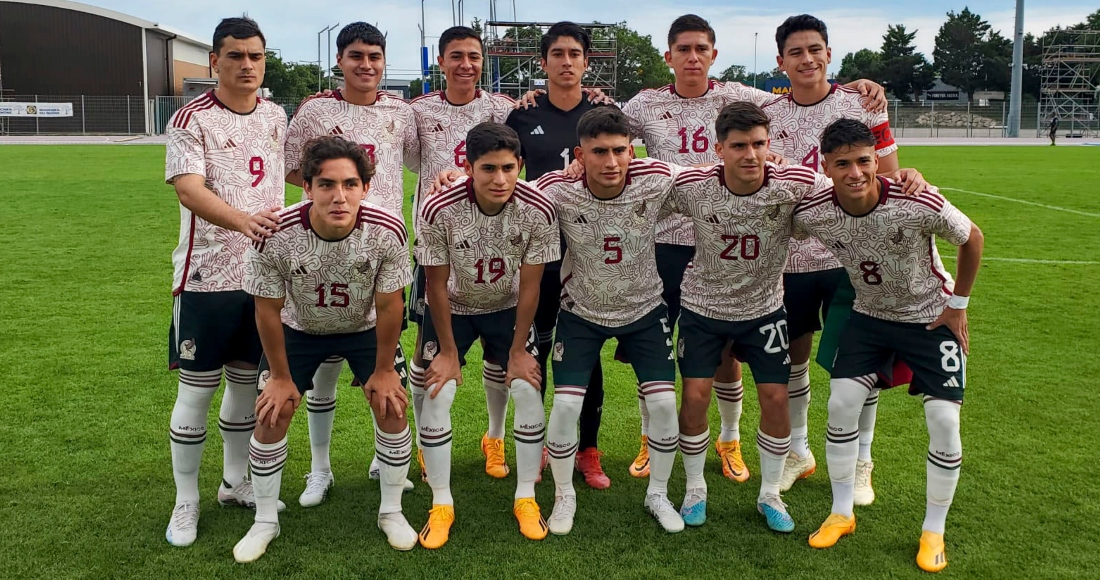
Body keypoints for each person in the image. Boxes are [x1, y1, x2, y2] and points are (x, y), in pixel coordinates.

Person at [793, 119, 983, 573]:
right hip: (869, 317)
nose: (855, 172)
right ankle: (841, 512)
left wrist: (958, 304)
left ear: (876, 160)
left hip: (929, 318)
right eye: (843, 164)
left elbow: (972, 237)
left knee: (943, 420)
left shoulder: (915, 198)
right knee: (841, 403)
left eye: (863, 160)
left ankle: (933, 528)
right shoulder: (815, 209)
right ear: (827, 167)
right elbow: (785, 220)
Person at [236, 136, 415, 561]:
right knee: (271, 412)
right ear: (308, 187)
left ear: (365, 188)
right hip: (299, 330)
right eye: (327, 184)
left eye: (351, 184)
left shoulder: (386, 229)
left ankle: (391, 511)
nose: (339, 196)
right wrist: (280, 378)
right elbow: (267, 311)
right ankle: (264, 520)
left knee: (392, 405)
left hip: (364, 328)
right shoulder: (275, 233)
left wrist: (385, 369)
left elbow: (391, 306)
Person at [667, 102, 832, 531]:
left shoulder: (793, 182)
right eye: (739, 145)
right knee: (696, 394)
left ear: (770, 144)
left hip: (764, 310)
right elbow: (639, 184)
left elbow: (850, 187)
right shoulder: (694, 185)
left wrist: (910, 178)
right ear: (718, 148)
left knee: (777, 397)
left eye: (759, 144)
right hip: (703, 307)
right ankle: (695, 489)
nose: (751, 155)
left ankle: (770, 493)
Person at [763, 14, 902, 500]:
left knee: (858, 365)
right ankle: (799, 452)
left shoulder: (861, 104)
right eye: (796, 52)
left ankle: (862, 460)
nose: (807, 59)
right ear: (780, 61)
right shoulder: (766, 112)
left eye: (815, 49)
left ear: (829, 53)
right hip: (790, 258)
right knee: (792, 363)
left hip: (852, 258)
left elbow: (887, 180)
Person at [282, 22, 421, 505]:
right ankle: (319, 469)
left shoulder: (403, 113)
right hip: (322, 253)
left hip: (380, 253)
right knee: (321, 374)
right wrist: (333, 204)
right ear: (339, 60)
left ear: (384, 62)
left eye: (375, 56)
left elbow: (429, 158)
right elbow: (292, 167)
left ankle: (387, 459)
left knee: (384, 365)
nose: (366, 65)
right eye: (356, 56)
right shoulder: (315, 110)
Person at [163, 16, 287, 547]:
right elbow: (189, 190)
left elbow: (297, 173)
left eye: (255, 56)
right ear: (214, 61)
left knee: (245, 387)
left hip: (264, 278)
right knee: (196, 391)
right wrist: (243, 221)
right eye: (234, 55)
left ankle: (234, 483)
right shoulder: (191, 118)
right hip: (207, 278)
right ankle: (184, 500)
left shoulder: (278, 115)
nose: (246, 65)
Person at [536, 107, 683, 535]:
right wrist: (454, 178)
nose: (612, 162)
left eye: (621, 150)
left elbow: (714, 177)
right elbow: (507, 190)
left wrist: (775, 164)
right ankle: (565, 494)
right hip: (581, 312)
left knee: (661, 404)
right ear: (579, 155)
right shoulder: (556, 189)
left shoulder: (656, 176)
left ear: (632, 150)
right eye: (599, 152)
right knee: (565, 406)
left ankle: (658, 493)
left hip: (643, 309)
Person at [413, 122, 560, 549]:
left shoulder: (538, 208)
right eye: (488, 169)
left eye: (509, 168)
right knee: (437, 388)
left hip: (507, 306)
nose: (500, 179)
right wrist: (449, 351)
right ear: (467, 167)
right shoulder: (438, 207)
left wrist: (518, 349)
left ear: (521, 165)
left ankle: (525, 495)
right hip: (452, 307)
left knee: (529, 388)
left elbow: (532, 285)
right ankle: (441, 502)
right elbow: (434, 285)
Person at [505, 22, 615, 489]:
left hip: (590, 250)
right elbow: (502, 172)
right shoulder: (522, 114)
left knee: (584, 351)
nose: (566, 61)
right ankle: (542, 445)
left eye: (575, 54)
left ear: (586, 62)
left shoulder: (605, 110)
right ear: (544, 62)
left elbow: (620, 163)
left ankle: (587, 449)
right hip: (537, 250)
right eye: (557, 54)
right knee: (538, 347)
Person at [408, 26, 519, 483]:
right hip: (436, 245)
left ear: (483, 59)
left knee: (499, 355)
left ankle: (494, 437)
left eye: (473, 56)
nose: (466, 64)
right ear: (441, 61)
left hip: (495, 245)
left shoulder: (506, 108)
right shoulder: (417, 110)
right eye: (456, 56)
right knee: (426, 353)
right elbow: (407, 161)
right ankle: (422, 439)